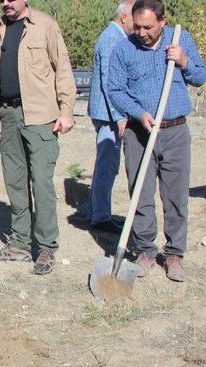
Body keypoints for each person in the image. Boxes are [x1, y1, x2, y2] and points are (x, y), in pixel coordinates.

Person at [108, 0, 206, 282]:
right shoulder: (124, 48)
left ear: (162, 22)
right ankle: (146, 252)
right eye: (136, 26)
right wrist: (139, 113)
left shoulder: (180, 38)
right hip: (140, 133)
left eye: (148, 27)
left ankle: (174, 254)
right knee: (140, 193)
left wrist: (184, 61)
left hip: (175, 131)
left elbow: (200, 76)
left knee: (175, 196)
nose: (141, 32)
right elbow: (115, 90)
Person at [0, 0, 76, 275]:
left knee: (41, 182)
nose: (5, 3)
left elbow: (62, 67)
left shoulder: (45, 25)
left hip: (41, 116)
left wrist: (66, 110)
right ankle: (20, 244)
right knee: (15, 181)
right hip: (10, 115)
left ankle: (47, 246)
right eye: (1, 0)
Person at [87, 0, 135, 233]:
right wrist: (119, 115)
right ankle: (100, 216)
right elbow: (109, 82)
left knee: (108, 164)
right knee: (107, 165)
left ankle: (100, 213)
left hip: (110, 114)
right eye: (135, 17)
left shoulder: (116, 38)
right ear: (124, 17)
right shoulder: (111, 40)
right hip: (108, 115)